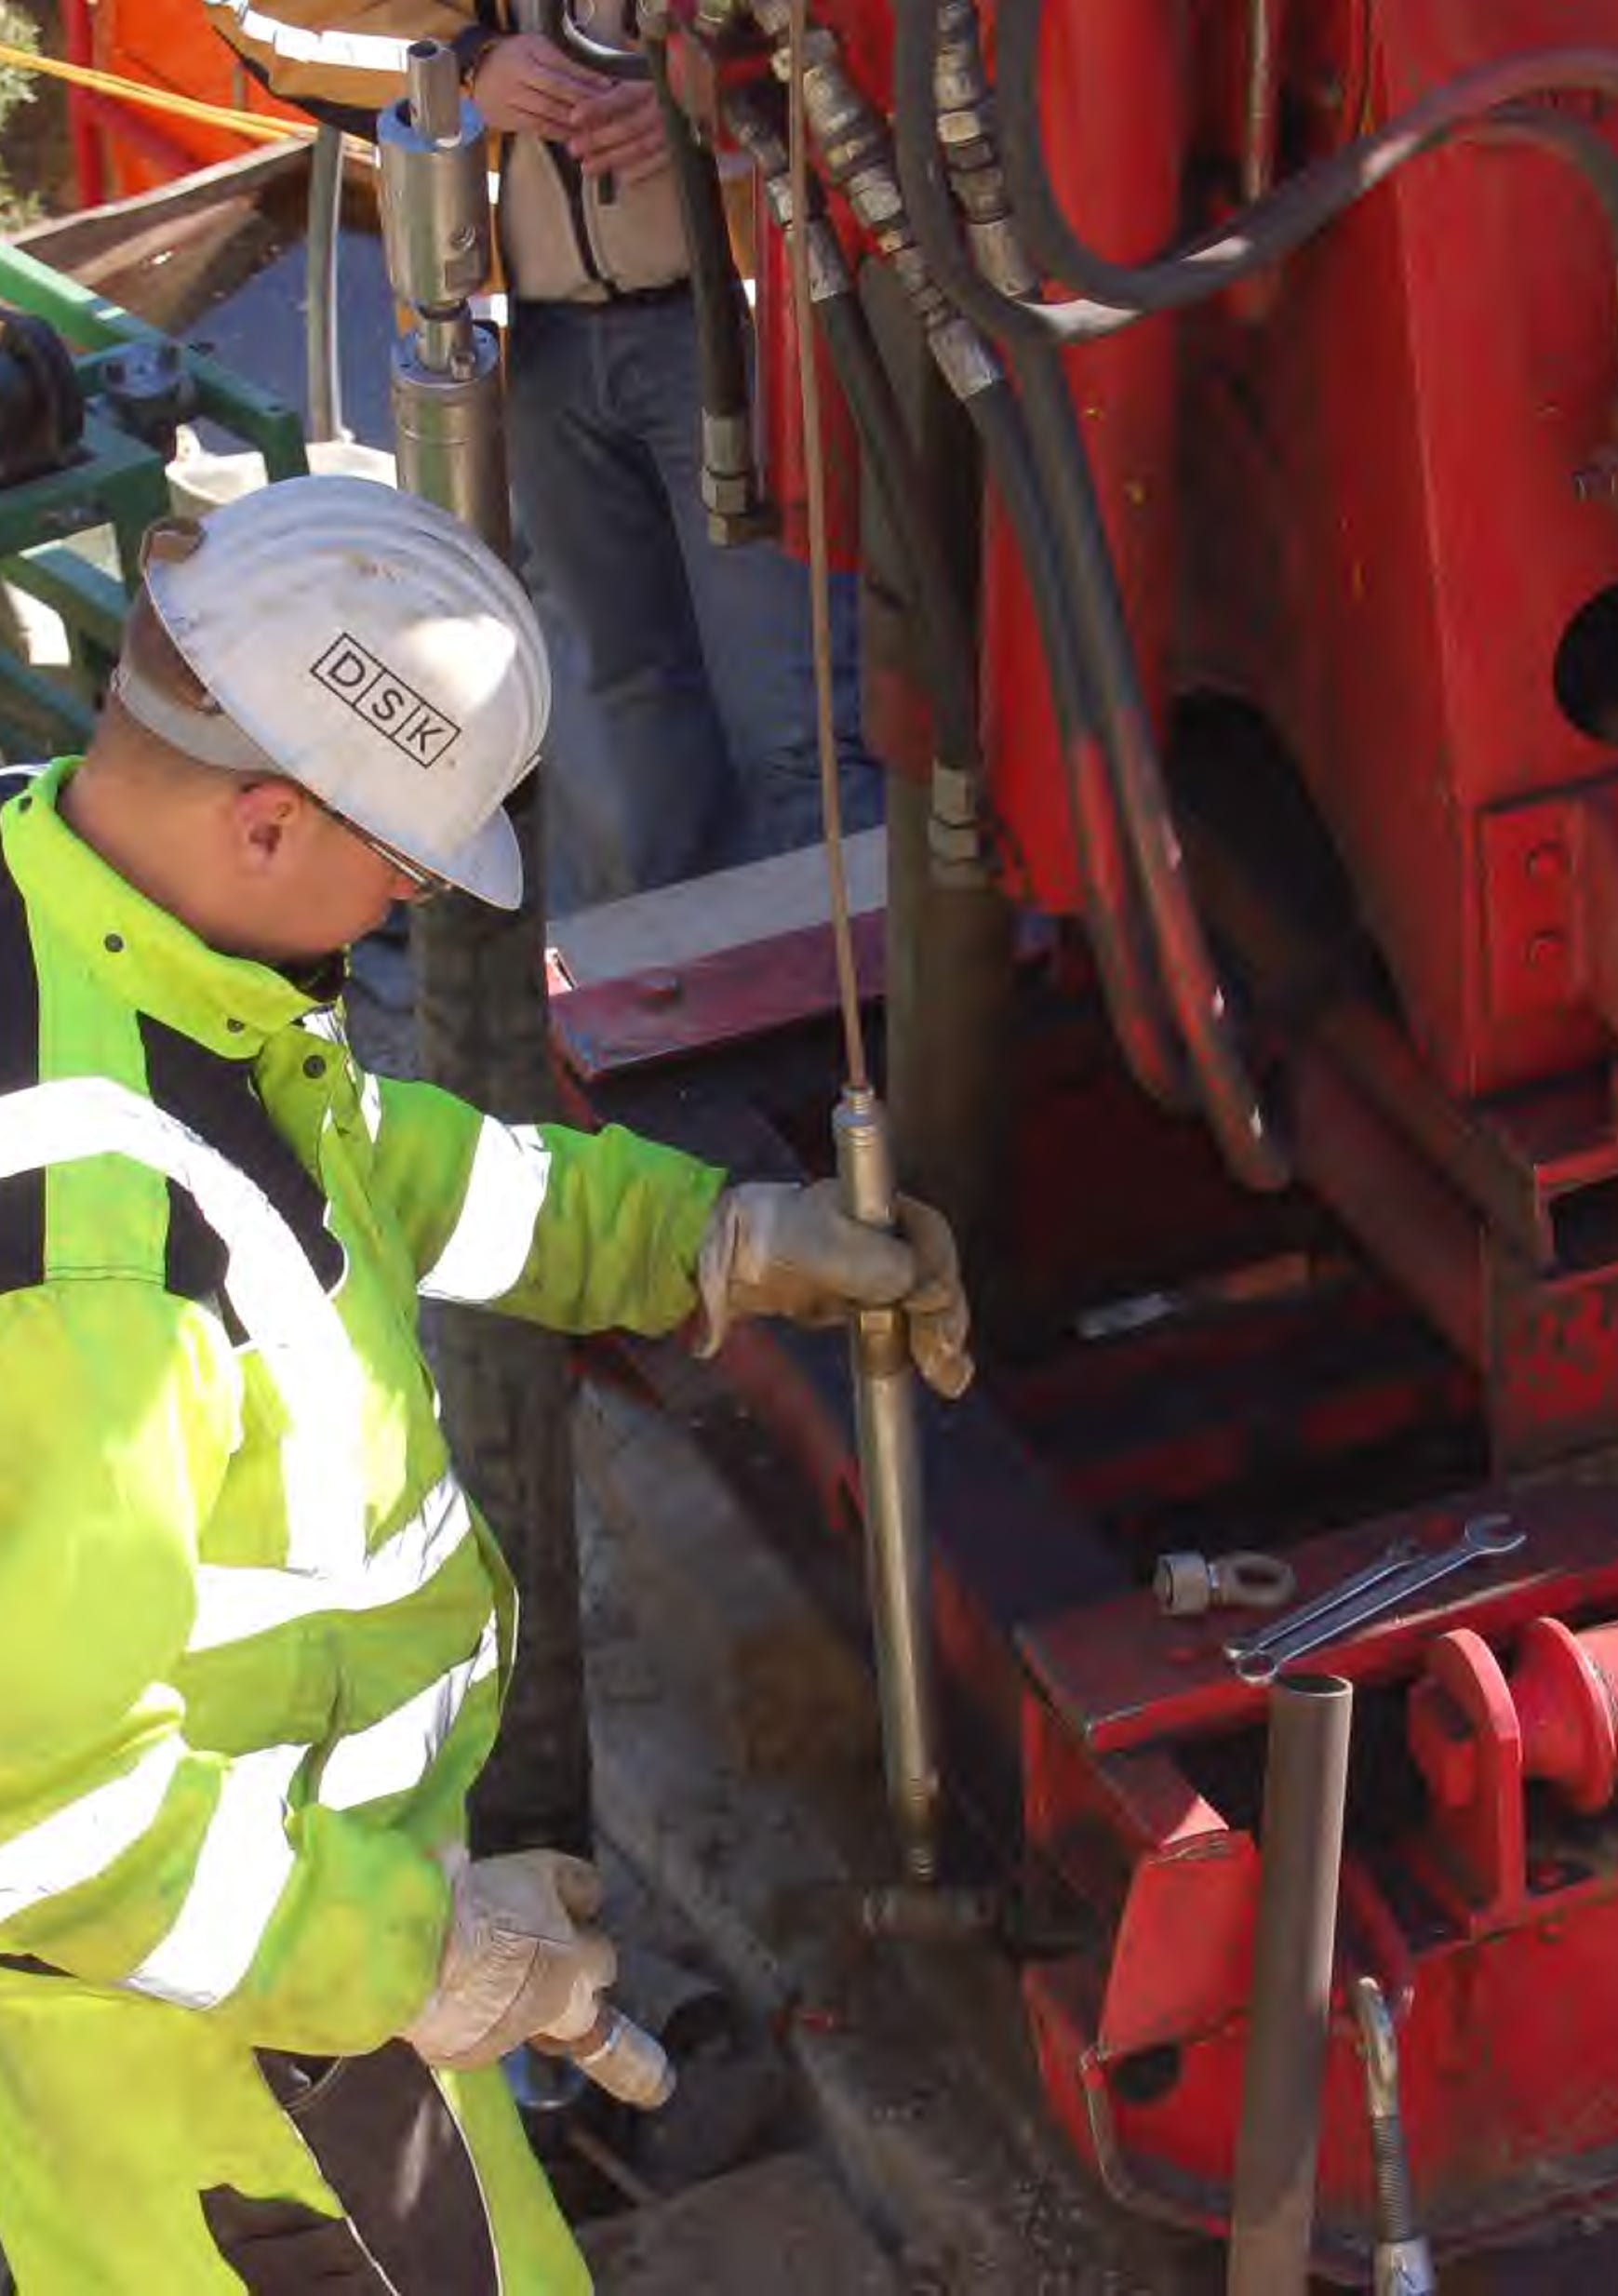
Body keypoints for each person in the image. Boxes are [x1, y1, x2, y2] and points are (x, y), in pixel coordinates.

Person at [0, 473, 966, 2292]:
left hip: (299, 1992)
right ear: (273, 818)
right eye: (406, 862)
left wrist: (706, 1240)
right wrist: (423, 1957)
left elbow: (364, 1157)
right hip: (208, 2077)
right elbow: (44, 1816)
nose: (411, 896)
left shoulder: (88, 921)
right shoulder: (93, 1257)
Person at [204, 0, 881, 913]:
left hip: (751, 321)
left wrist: (721, 92)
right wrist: (468, 65)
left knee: (799, 714)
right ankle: (660, 975)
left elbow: (884, 38)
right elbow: (265, 17)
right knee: (619, 733)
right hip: (536, 338)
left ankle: (844, 973)